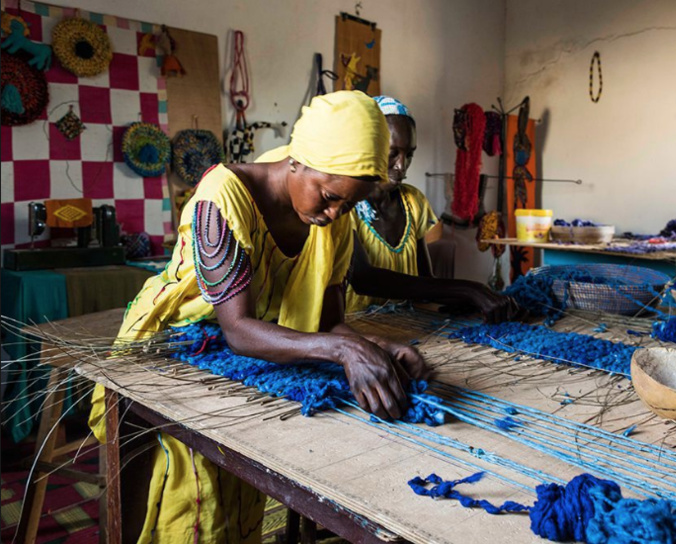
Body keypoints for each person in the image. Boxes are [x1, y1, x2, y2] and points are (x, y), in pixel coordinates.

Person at [88, 91, 428, 543]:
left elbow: (329, 324)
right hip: (171, 353)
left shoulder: (335, 216)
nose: (333, 215)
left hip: (246, 361)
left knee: (235, 499)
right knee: (186, 499)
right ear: (297, 161)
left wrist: (376, 348)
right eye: (328, 198)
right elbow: (237, 330)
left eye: (346, 206)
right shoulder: (224, 196)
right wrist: (346, 349)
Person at [345, 95, 519, 322]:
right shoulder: (344, 204)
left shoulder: (413, 202)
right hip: (355, 329)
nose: (401, 165)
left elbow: (426, 282)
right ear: (366, 146)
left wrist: (463, 302)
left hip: (406, 326)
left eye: (410, 154)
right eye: (392, 153)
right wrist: (469, 290)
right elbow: (363, 279)